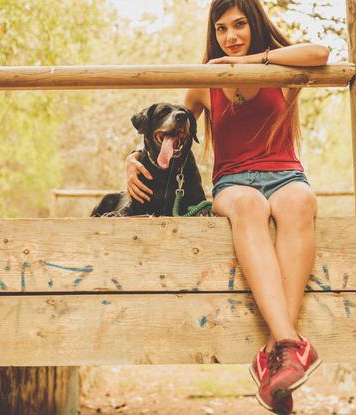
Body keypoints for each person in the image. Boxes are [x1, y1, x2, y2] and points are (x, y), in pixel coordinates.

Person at [125, 0, 329, 413]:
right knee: (250, 206)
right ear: (212, 34)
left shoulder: (280, 69)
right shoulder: (204, 80)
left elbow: (321, 55)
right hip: (233, 183)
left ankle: (277, 350)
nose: (231, 36)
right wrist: (134, 156)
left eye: (239, 25)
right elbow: (171, 130)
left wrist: (254, 62)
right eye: (221, 29)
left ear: (254, 26)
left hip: (287, 174)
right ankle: (289, 347)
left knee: (301, 201)